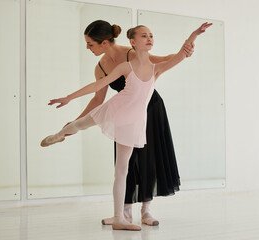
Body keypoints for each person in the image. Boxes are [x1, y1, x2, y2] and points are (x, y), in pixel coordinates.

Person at [41, 22, 212, 231]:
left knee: (124, 167)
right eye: (144, 36)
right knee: (82, 126)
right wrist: (68, 98)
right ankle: (60, 134)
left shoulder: (154, 68)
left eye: (150, 35)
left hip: (137, 118)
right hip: (116, 110)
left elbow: (176, 57)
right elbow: (97, 88)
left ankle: (123, 216)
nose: (149, 39)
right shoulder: (121, 67)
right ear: (132, 41)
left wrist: (193, 36)